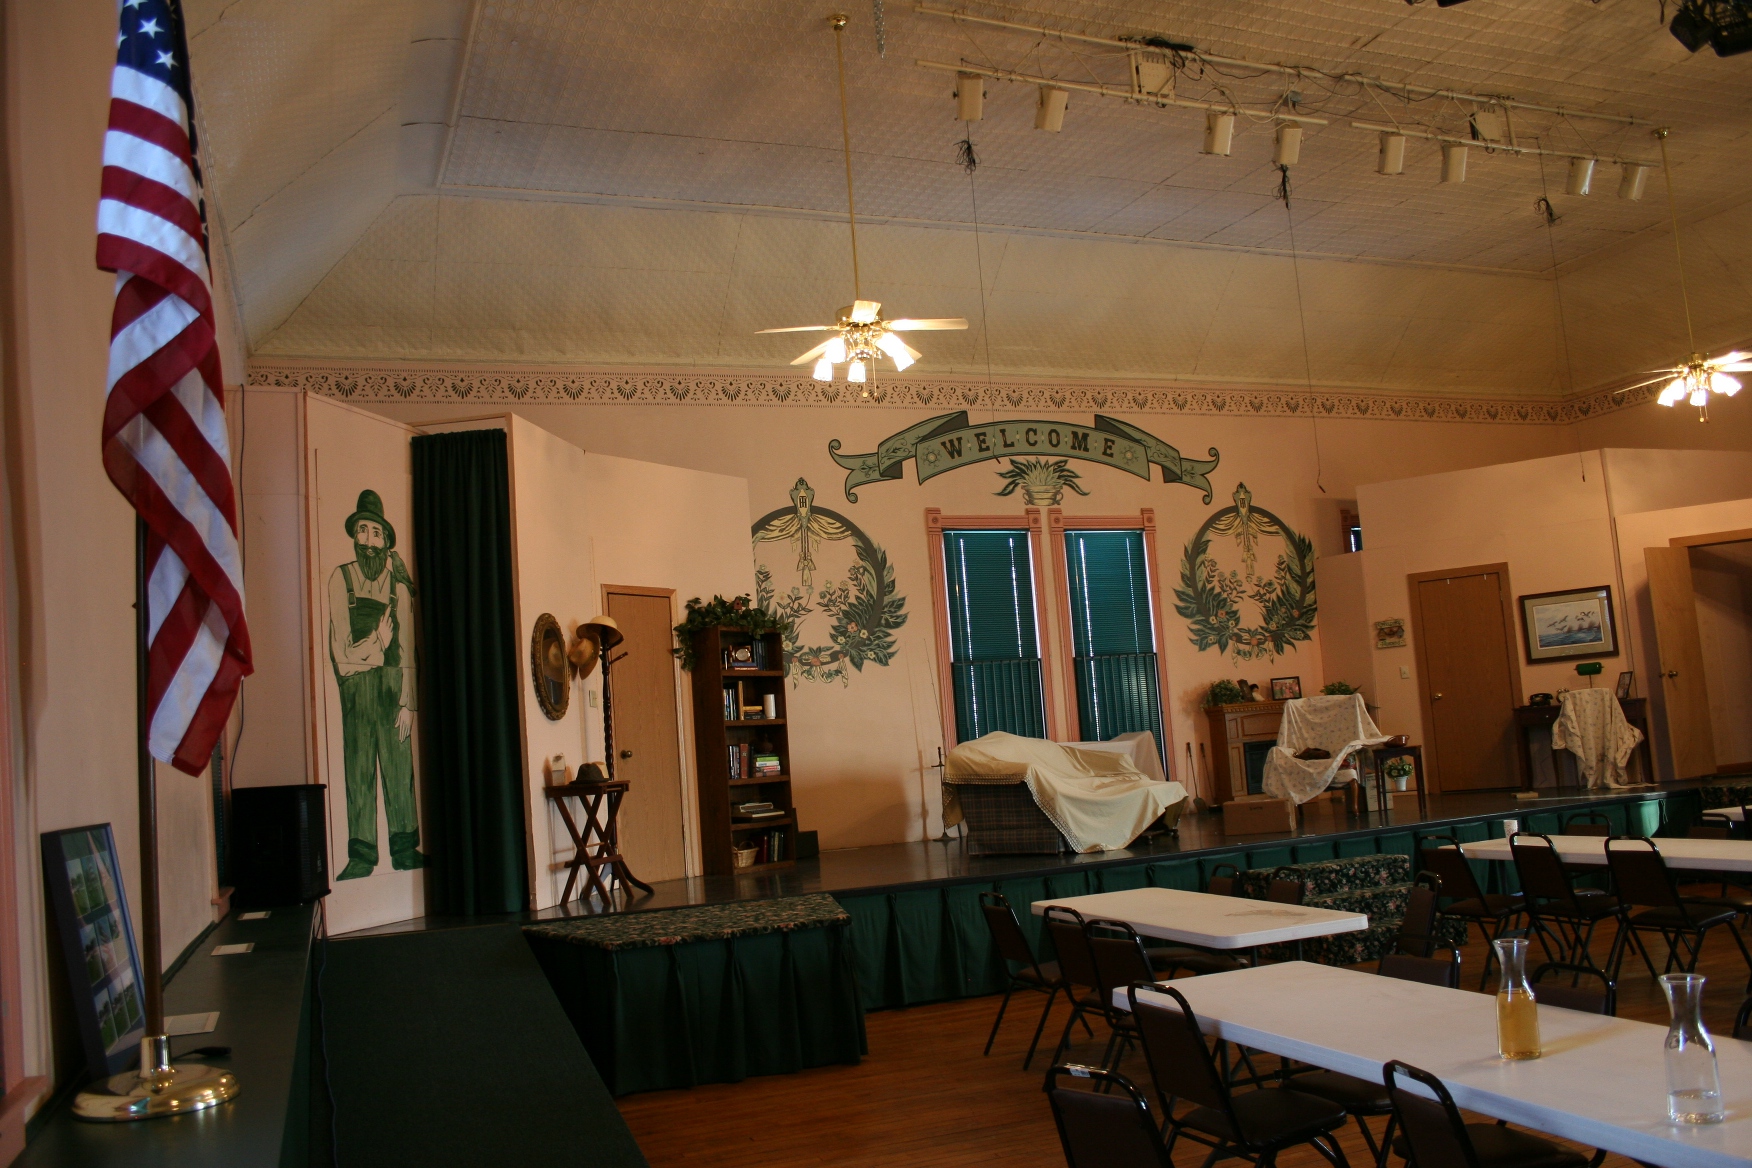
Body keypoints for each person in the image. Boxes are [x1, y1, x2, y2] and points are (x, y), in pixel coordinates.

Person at [327, 489, 424, 879]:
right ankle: (362, 855)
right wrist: (376, 645)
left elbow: (409, 651)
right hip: (357, 694)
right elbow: (341, 657)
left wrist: (409, 703)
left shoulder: (398, 587)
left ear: (386, 541)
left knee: (400, 769)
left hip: (392, 691)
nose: (368, 541)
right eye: (362, 531)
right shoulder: (341, 578)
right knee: (358, 769)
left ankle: (404, 848)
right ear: (355, 537)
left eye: (376, 533)